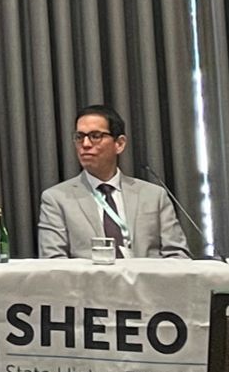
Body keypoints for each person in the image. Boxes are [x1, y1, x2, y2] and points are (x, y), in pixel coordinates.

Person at [39, 104, 191, 259]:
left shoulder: (154, 196)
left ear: (119, 144)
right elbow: (53, 262)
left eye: (95, 136)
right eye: (79, 137)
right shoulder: (57, 199)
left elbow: (177, 255)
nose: (85, 144)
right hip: (88, 283)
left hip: (146, 282)